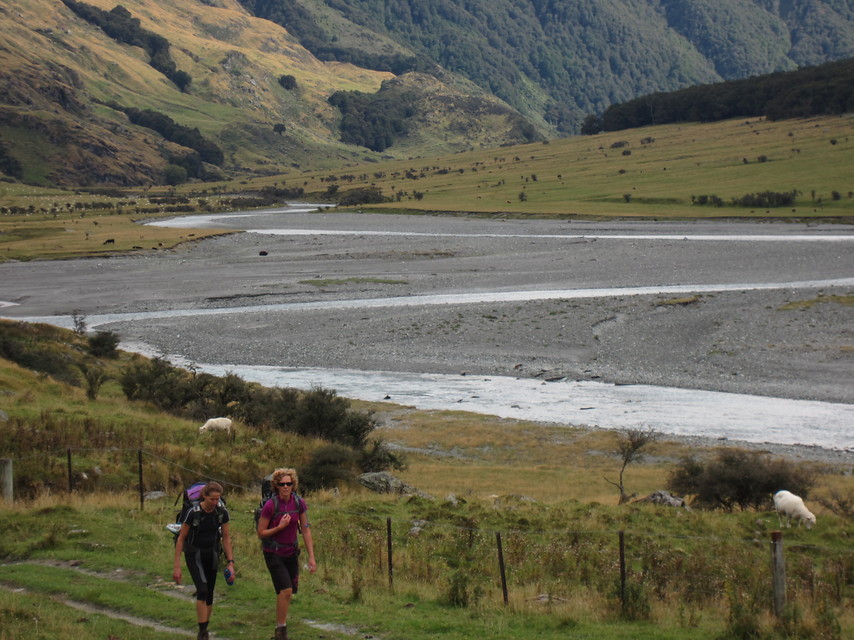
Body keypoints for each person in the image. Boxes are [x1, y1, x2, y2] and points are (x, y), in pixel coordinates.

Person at [257, 468, 317, 640]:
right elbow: (261, 533)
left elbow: (305, 530)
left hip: (291, 552)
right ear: (276, 486)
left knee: (286, 592)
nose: (285, 487)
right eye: (282, 484)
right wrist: (279, 528)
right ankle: (281, 631)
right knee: (286, 591)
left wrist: (311, 557)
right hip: (273, 552)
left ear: (293, 485)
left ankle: (280, 628)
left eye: (288, 484)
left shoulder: (299, 504)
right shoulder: (270, 505)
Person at [173, 481, 235, 640]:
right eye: (212, 499)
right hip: (194, 554)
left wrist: (230, 562)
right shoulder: (193, 513)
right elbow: (181, 538)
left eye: (217, 499)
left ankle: (204, 626)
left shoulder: (221, 512)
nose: (215, 503)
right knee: (202, 590)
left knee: (209, 594)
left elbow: (226, 538)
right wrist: (177, 566)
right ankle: (202, 632)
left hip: (212, 553)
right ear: (204, 496)